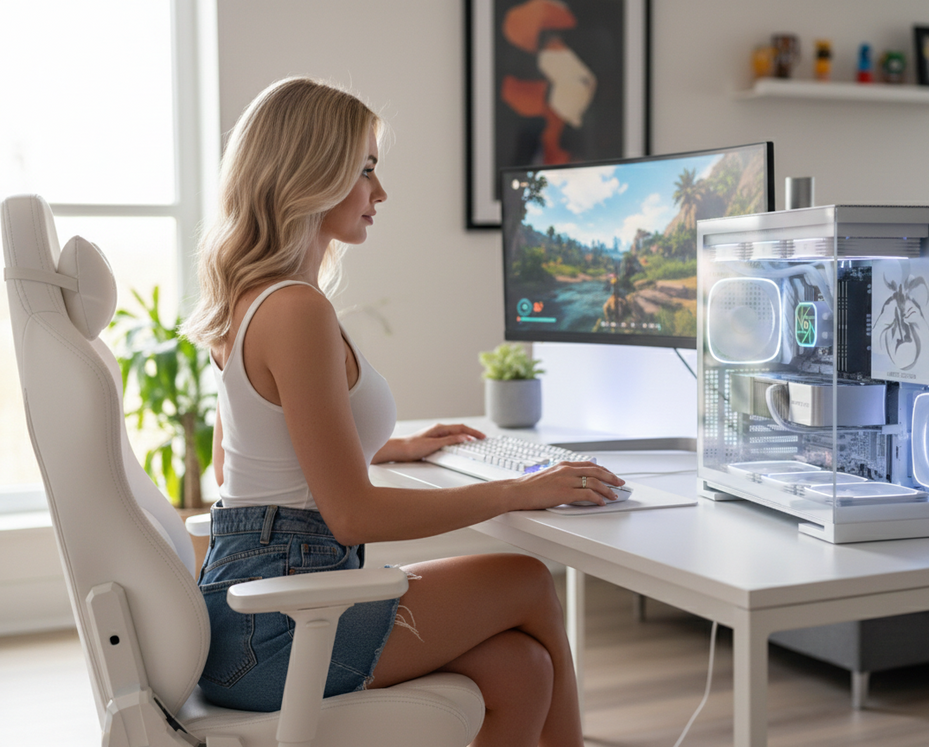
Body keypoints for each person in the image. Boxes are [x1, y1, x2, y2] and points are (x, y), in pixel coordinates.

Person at [180, 76, 625, 747]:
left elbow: (238, 457)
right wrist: (515, 489)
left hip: (247, 619)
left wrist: (385, 447)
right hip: (274, 628)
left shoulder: (257, 299)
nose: (378, 193)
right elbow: (352, 515)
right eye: (364, 170)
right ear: (311, 175)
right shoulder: (295, 310)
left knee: (519, 671)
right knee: (529, 579)